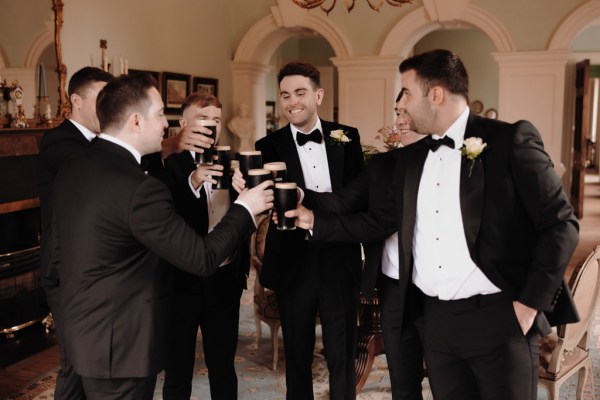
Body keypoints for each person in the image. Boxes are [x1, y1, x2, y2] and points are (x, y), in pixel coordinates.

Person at [290, 49, 580, 400]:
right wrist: (305, 208)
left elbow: (561, 224)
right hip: (435, 321)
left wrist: (528, 306)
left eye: (407, 93)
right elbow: (374, 218)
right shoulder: (408, 160)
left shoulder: (508, 140)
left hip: (498, 317)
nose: (403, 108)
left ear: (436, 94)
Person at [51, 73, 273, 399]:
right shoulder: (141, 187)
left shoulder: (75, 166)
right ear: (137, 121)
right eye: (159, 115)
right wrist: (246, 209)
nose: (166, 128)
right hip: (121, 346)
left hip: (81, 333)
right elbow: (202, 257)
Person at [300, 90, 425, 400]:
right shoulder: (382, 164)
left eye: (407, 112)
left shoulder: (456, 161)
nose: (400, 120)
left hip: (442, 292)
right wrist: (298, 196)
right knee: (403, 385)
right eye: (397, 112)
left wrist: (316, 223)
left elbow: (379, 222)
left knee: (451, 384)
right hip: (394, 288)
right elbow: (343, 201)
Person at [254, 61, 364, 400]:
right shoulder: (266, 146)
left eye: (300, 93)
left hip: (338, 256)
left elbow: (356, 196)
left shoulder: (346, 136)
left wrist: (311, 203)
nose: (292, 102)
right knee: (297, 354)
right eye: (285, 95)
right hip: (292, 258)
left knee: (341, 351)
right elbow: (263, 198)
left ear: (318, 95)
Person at [160, 92, 248, 400]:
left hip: (224, 281)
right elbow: (166, 218)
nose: (211, 126)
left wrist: (244, 190)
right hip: (181, 283)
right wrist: (193, 181)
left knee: (223, 368)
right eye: (202, 119)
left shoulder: (235, 163)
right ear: (183, 124)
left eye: (216, 120)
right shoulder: (167, 166)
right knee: (178, 369)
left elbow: (244, 220)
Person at [38, 66, 113, 400]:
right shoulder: (57, 141)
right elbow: (91, 171)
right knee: (76, 366)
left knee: (96, 365)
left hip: (96, 272)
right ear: (76, 100)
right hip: (65, 271)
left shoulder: (101, 145)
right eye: (102, 99)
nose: (109, 109)